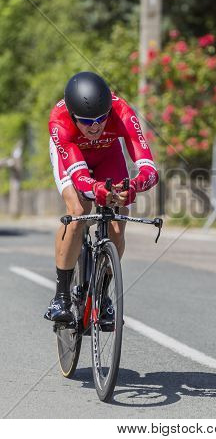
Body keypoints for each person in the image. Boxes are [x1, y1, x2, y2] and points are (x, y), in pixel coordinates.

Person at [45, 71, 158, 322]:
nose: (95, 126)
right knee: (78, 211)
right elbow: (80, 179)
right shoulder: (59, 122)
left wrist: (135, 185)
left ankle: (103, 296)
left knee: (119, 220)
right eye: (86, 121)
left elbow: (150, 169)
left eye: (102, 118)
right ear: (74, 116)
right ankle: (61, 296)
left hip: (108, 155)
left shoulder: (122, 112)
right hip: (74, 157)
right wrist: (97, 190)